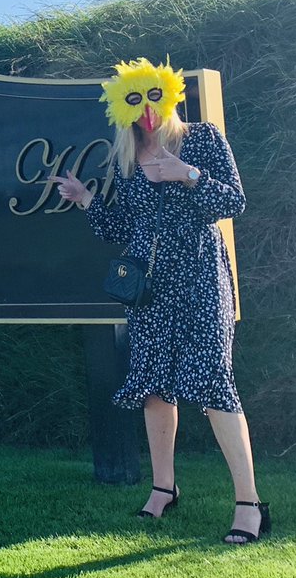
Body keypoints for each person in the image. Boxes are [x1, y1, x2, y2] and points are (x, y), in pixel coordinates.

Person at [52, 57, 270, 544]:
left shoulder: (202, 138)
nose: (146, 109)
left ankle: (250, 503)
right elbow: (121, 230)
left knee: (214, 384)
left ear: (168, 95)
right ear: (121, 107)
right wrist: (86, 199)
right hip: (149, 288)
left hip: (199, 279)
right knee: (153, 388)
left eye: (153, 96)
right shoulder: (127, 159)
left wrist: (184, 173)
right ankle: (163, 488)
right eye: (134, 99)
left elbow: (233, 201)